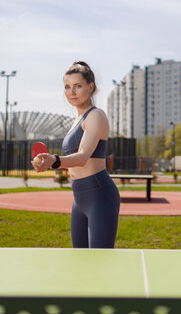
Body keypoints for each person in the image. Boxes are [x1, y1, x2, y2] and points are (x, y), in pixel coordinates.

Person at [31, 61, 120, 248]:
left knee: (99, 262)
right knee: (79, 261)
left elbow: (82, 157)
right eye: (67, 87)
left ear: (90, 87)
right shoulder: (77, 119)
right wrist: (50, 161)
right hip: (79, 199)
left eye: (77, 86)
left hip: (100, 196)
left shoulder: (96, 115)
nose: (72, 92)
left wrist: (53, 160)